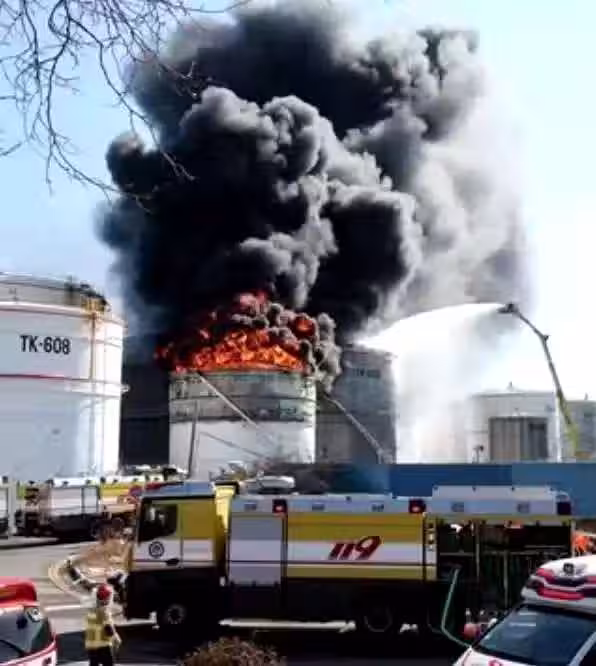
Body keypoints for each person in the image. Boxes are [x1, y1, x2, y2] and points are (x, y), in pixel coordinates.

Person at [84, 583, 122, 666]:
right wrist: (116, 639)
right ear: (106, 598)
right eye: (109, 597)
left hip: (91, 645)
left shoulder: (90, 611)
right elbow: (108, 629)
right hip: (103, 645)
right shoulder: (104, 611)